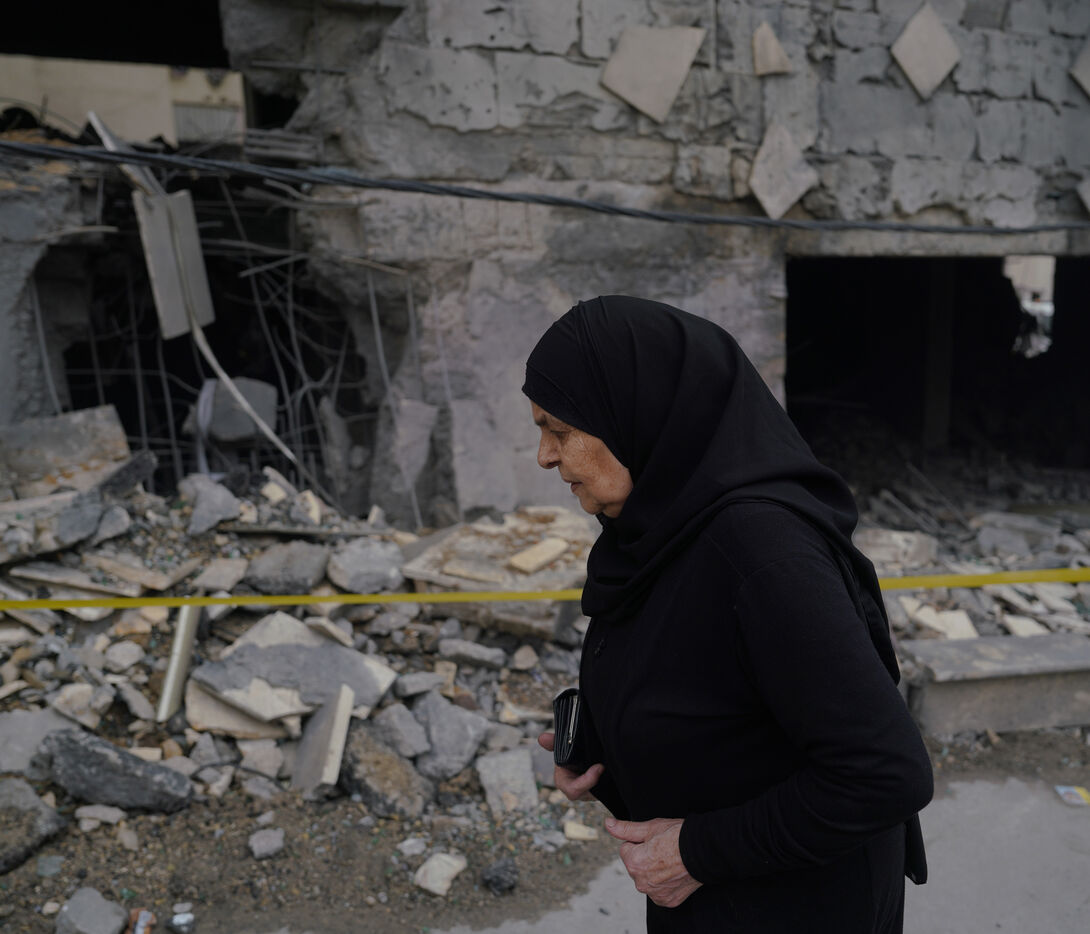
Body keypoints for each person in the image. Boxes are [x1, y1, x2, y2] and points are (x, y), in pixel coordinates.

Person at [525, 296, 933, 933]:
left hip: (796, 910)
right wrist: (607, 749)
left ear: (634, 413)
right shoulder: (657, 534)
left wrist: (694, 853)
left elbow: (886, 774)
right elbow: (713, 695)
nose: (545, 456)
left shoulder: (761, 552)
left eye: (560, 430)